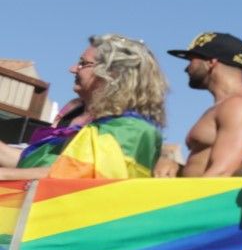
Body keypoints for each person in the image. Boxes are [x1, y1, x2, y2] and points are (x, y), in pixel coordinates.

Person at [0, 36, 165, 182]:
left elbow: (80, 179)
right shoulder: (82, 118)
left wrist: (6, 175)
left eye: (83, 64)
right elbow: (34, 162)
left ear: (113, 73)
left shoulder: (132, 130)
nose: (72, 69)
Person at [164, 31, 242, 177]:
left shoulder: (241, 107)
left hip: (205, 198)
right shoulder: (226, 105)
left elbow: (223, 173)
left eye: (191, 60)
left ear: (211, 62)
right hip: (197, 194)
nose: (186, 68)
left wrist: (187, 200)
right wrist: (176, 168)